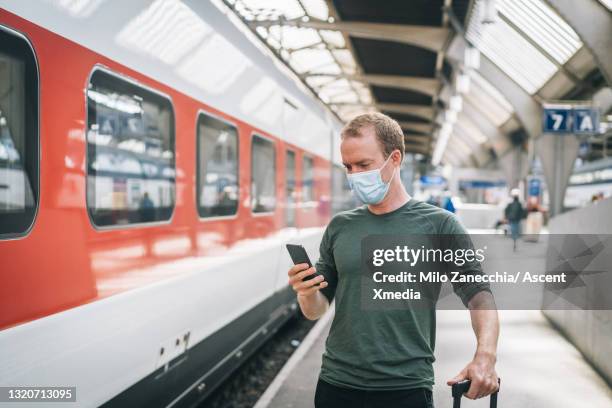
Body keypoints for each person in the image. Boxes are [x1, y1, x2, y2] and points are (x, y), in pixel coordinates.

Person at [288, 113, 499, 408]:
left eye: (364, 165)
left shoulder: (440, 225)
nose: (355, 175)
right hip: (336, 385)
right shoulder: (340, 226)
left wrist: (485, 357)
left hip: (406, 388)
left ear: (395, 158)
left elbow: (479, 296)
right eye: (348, 166)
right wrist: (306, 292)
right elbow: (315, 310)